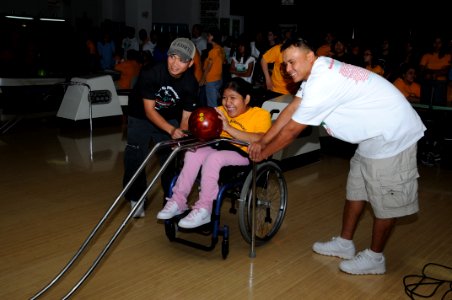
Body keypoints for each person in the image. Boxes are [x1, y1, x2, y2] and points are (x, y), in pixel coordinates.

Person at [248, 38, 426, 275]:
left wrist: (264, 155)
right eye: (284, 64)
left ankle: (375, 258)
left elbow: (293, 130)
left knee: (386, 202)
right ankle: (345, 244)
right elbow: (292, 109)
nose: (287, 69)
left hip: (393, 136)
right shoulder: (317, 72)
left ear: (310, 57)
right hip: (372, 136)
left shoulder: (323, 80)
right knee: (357, 190)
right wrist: (263, 141)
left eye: (292, 62)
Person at [156, 77, 272, 228]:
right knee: (192, 153)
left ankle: (204, 208)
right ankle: (178, 201)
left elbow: (262, 138)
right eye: (224, 98)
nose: (227, 103)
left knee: (214, 158)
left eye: (233, 98)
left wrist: (229, 128)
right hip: (218, 148)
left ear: (247, 98)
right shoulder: (219, 110)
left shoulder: (260, 114)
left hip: (244, 155)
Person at [123, 37, 200, 218]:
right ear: (167, 55)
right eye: (172, 57)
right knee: (135, 155)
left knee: (171, 158)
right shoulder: (151, 72)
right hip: (140, 115)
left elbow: (186, 118)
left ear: (190, 63)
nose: (175, 64)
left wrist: (180, 137)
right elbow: (149, 111)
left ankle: (172, 198)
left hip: (169, 116)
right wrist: (172, 130)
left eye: (182, 60)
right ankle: (137, 197)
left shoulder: (191, 84)